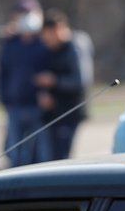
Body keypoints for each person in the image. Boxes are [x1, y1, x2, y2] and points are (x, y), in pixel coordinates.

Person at [0, 0, 49, 167]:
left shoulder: (44, 42)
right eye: (22, 13)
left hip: (38, 106)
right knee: (14, 154)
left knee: (38, 154)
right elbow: (3, 73)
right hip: (15, 106)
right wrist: (5, 99)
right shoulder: (11, 43)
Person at [33, 9, 86, 160]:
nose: (46, 41)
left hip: (69, 112)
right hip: (51, 113)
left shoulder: (74, 48)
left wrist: (54, 81)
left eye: (48, 35)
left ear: (58, 30)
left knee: (62, 157)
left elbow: (79, 81)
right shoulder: (51, 50)